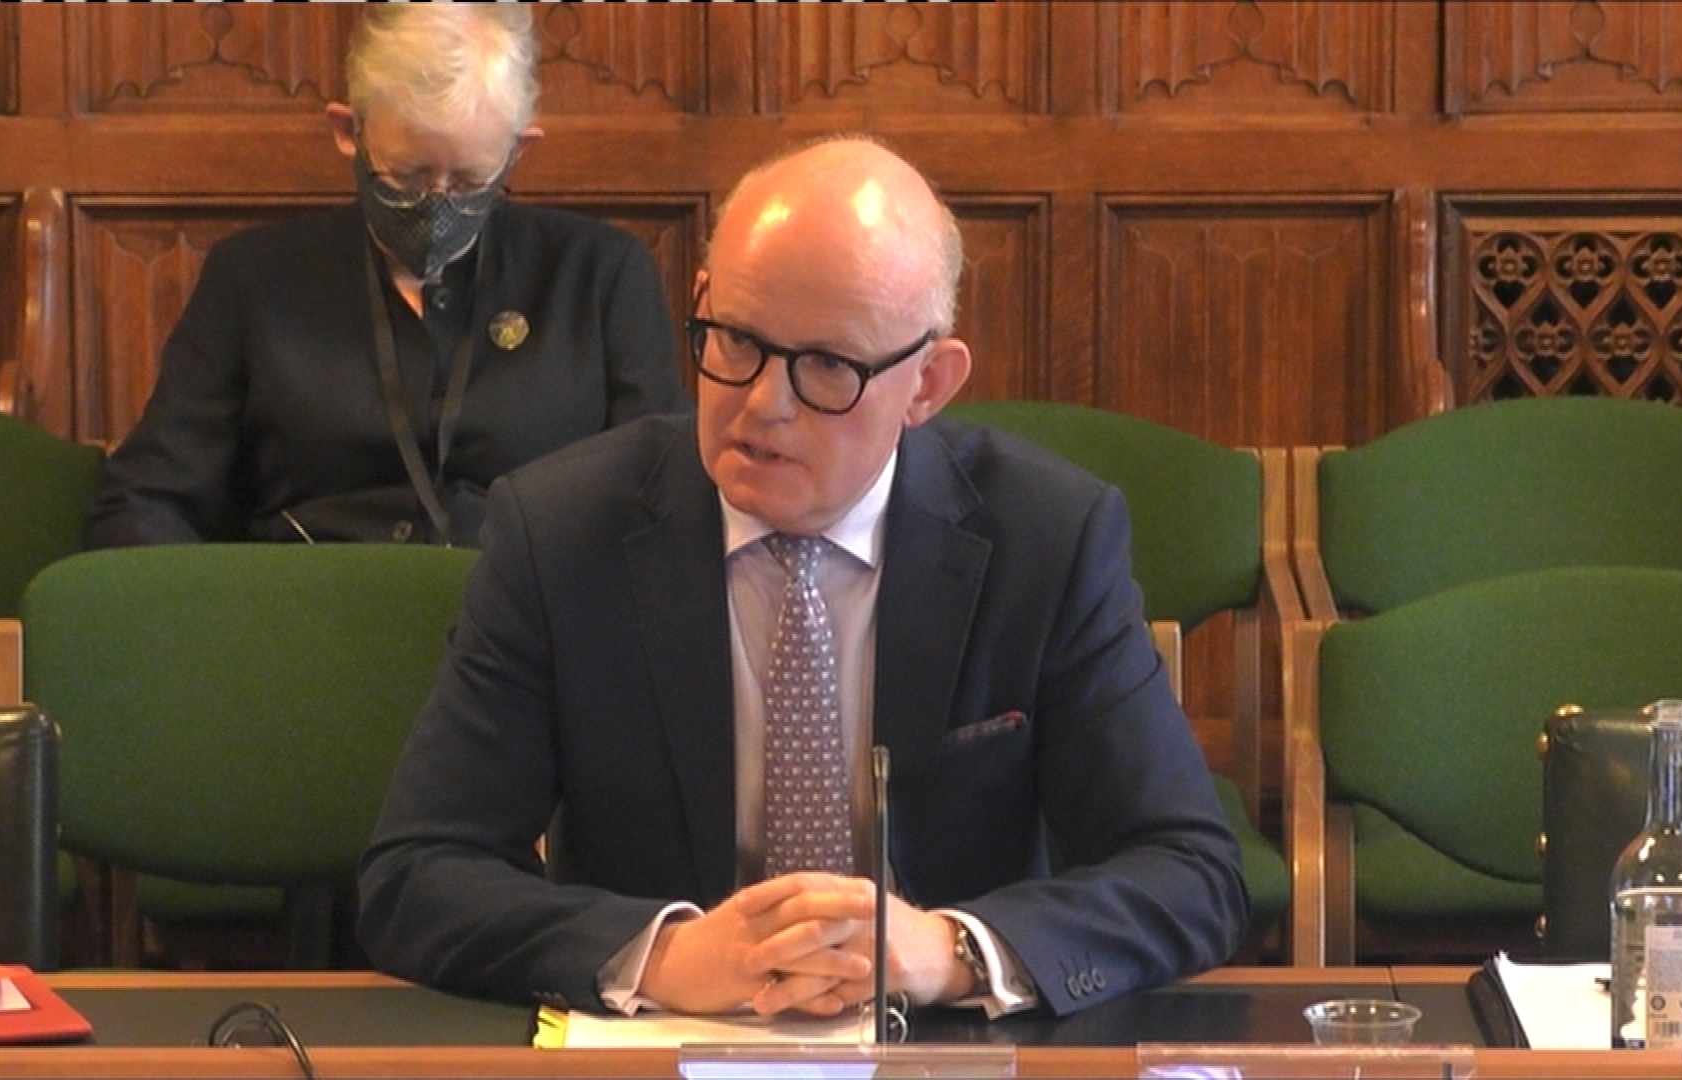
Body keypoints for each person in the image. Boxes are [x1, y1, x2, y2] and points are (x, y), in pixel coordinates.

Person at [357, 135, 1247, 1019]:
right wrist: (658, 955)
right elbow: (418, 874)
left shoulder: (1045, 540)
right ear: (701, 303)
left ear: (928, 384)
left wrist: (951, 951)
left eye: (828, 366)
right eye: (736, 340)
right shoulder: (561, 532)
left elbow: (1190, 870)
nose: (762, 403)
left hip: (939, 1044)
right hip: (667, 1040)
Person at [84, 5, 688, 549]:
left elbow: (663, 495)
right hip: (307, 610)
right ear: (348, 132)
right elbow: (145, 501)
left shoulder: (600, 275)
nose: (437, 203)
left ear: (518, 152)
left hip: (528, 617)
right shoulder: (252, 279)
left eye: (469, 181)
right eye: (408, 175)